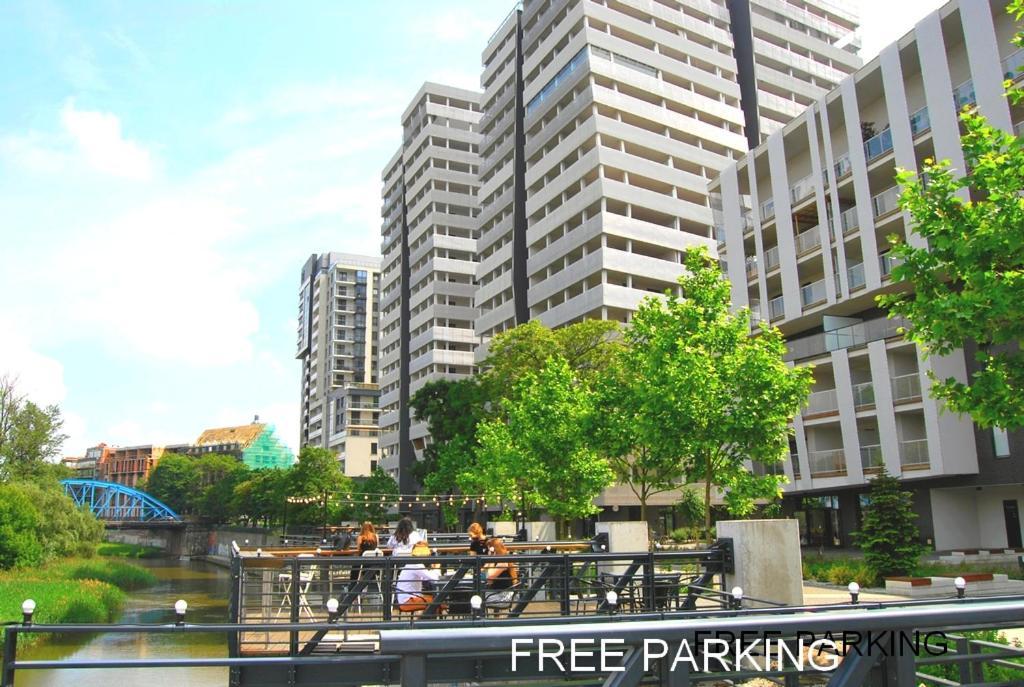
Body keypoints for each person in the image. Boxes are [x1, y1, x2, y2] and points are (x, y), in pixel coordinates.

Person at [395, 540, 441, 614]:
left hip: (405, 599)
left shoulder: (412, 563)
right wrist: (437, 568)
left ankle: (424, 621)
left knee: (436, 600)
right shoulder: (417, 564)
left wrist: (432, 570)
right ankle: (430, 622)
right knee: (439, 600)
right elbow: (435, 578)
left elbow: (425, 577)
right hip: (409, 600)